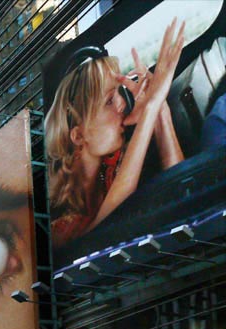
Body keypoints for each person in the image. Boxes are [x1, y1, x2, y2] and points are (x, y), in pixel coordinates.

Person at [45, 19, 186, 248]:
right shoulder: (57, 224)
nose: (122, 103)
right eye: (110, 100)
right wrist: (150, 108)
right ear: (79, 136)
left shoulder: (116, 163)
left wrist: (160, 108)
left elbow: (182, 190)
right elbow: (106, 228)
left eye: (119, 92)